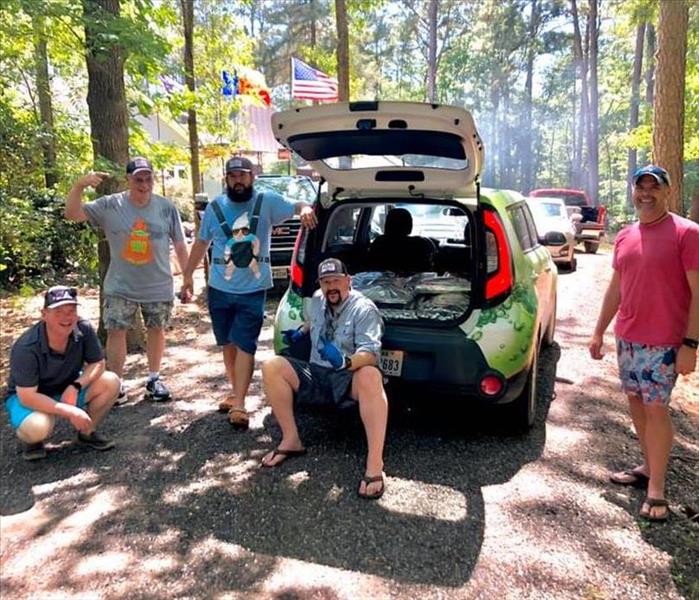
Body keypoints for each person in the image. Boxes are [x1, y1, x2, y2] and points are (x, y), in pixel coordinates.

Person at [589, 165, 699, 522]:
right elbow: (616, 287)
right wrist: (599, 330)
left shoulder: (687, 233)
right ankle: (649, 466)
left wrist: (691, 344)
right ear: (633, 191)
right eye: (641, 187)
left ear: (667, 191)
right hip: (629, 338)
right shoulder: (624, 235)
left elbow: (698, 293)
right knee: (636, 403)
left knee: (655, 409)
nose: (647, 194)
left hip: (665, 341)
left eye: (655, 187)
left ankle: (657, 490)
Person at [181, 156, 317, 430]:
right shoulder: (216, 206)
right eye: (233, 176)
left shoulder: (266, 201)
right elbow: (201, 243)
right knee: (228, 343)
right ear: (226, 179)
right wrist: (187, 276)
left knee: (245, 343)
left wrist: (304, 209)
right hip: (219, 288)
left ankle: (241, 403)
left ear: (252, 177)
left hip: (252, 290)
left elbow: (297, 205)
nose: (239, 180)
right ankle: (235, 392)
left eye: (243, 175)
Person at [260, 258, 389, 500]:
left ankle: (375, 465)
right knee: (272, 366)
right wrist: (301, 332)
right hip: (316, 372)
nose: (331, 287)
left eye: (336, 281)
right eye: (326, 282)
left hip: (346, 375)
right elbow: (315, 320)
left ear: (347, 281)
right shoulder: (319, 298)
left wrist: (345, 362)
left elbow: (371, 354)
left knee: (371, 376)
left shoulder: (364, 309)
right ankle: (291, 440)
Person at [65, 157, 190, 403]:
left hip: (158, 284)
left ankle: (154, 379)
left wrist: (188, 278)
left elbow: (179, 243)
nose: (144, 185)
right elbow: (72, 214)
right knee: (116, 331)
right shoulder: (111, 205)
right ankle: (116, 384)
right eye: (138, 179)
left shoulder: (166, 207)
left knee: (157, 329)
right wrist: (79, 186)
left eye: (148, 178)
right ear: (128, 180)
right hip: (120, 286)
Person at [4, 286, 120, 461]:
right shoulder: (26, 347)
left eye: (71, 310)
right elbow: (27, 396)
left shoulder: (83, 328)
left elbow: (98, 363)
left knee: (111, 381)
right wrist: (70, 412)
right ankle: (32, 440)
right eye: (58, 311)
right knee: (38, 426)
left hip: (67, 387)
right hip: (30, 397)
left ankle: (87, 432)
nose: (67, 317)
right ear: (44, 314)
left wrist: (76, 386)